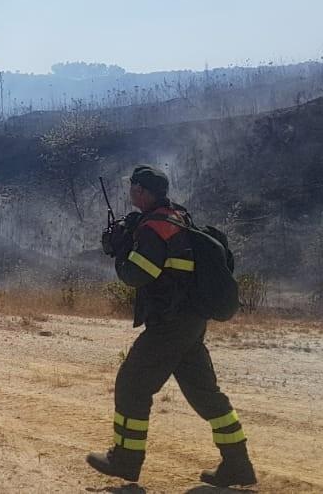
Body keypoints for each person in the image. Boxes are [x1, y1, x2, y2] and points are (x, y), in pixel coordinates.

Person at [86, 165, 256, 488]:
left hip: (170, 324)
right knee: (206, 395)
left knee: (132, 385)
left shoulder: (155, 227)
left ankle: (125, 460)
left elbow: (138, 274)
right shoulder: (177, 217)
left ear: (142, 191)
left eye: (133, 187)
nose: (130, 191)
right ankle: (238, 464)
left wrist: (120, 252)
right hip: (191, 322)